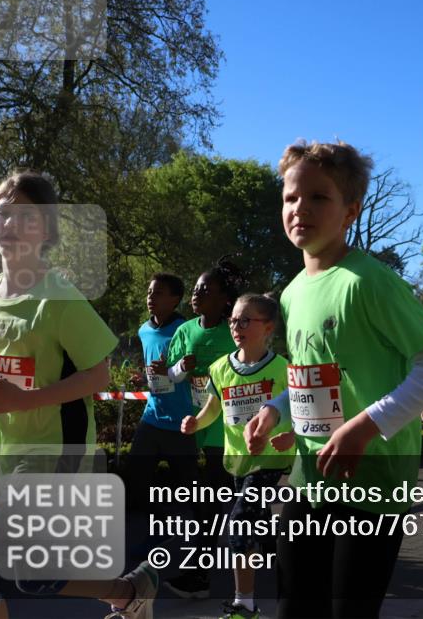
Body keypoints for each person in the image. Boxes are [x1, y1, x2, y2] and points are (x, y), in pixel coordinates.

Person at [243, 140, 423, 619]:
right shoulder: (292, 291)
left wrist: (364, 426)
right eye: (291, 198)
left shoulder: (369, 281)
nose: (300, 208)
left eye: (319, 197)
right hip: (308, 480)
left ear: (350, 211)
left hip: (372, 487)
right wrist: (274, 409)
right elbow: (314, 373)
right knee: (294, 609)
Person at [0, 170, 155, 619]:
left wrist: (19, 401)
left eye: (27, 216)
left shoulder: (59, 298)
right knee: (31, 573)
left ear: (46, 230)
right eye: (3, 212)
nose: (11, 223)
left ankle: (132, 590)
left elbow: (99, 375)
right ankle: (132, 591)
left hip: (54, 454)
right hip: (9, 449)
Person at [181, 293, 295, 619]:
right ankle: (293, 573)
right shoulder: (220, 369)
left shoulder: (281, 368)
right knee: (260, 531)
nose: (236, 326)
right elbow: (213, 409)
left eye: (245, 320)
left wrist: (292, 435)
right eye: (233, 320)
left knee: (239, 525)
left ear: (268, 327)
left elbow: (299, 409)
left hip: (269, 460)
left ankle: (244, 606)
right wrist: (195, 423)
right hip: (237, 461)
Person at [161, 258, 242, 599]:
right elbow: (168, 375)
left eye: (205, 290)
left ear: (225, 299)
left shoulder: (235, 329)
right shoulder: (185, 330)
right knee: (221, 502)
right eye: (195, 290)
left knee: (211, 503)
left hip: (231, 429)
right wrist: (182, 366)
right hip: (198, 425)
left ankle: (199, 576)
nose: (196, 295)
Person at [124, 274, 200, 549]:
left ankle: (194, 542)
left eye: (157, 293)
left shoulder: (187, 329)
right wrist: (144, 380)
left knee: (189, 490)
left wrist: (171, 372)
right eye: (149, 292)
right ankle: (146, 536)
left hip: (182, 421)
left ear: (175, 299)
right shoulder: (144, 330)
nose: (150, 298)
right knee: (136, 476)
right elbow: (153, 371)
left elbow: (190, 371)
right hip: (152, 416)